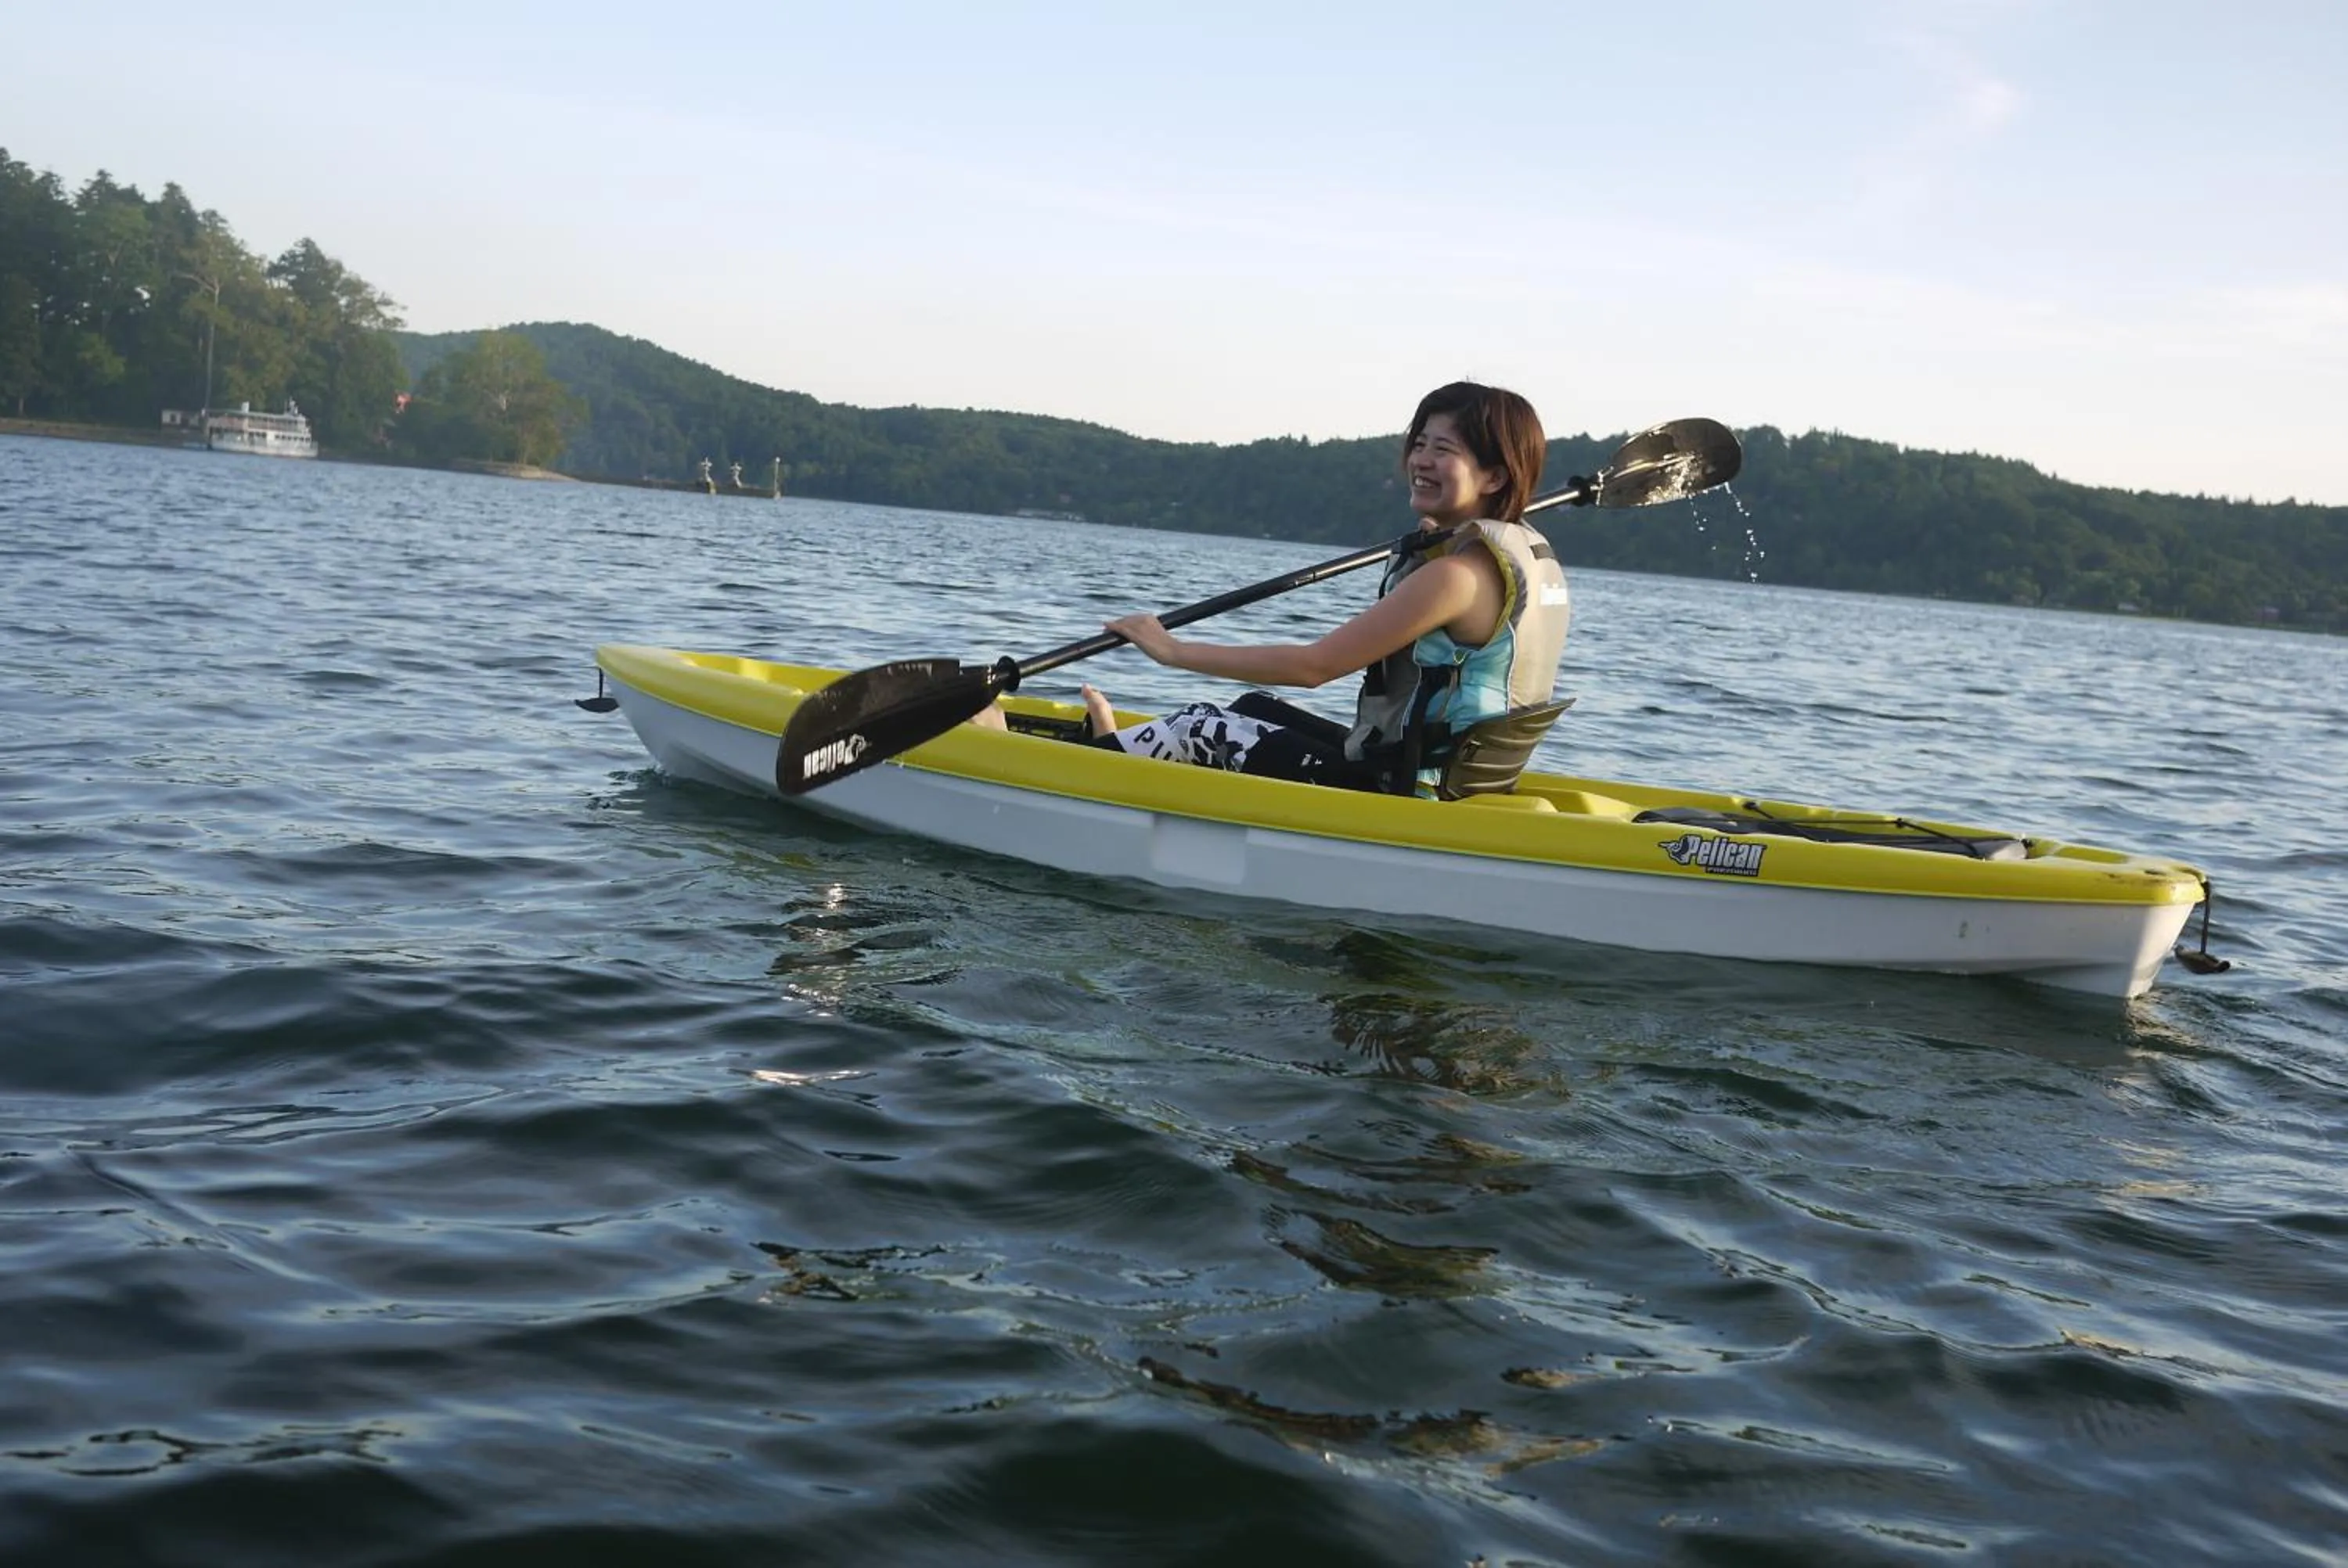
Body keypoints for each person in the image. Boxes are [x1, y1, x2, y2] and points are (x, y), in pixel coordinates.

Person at [1081, 381, 1571, 797]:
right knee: (1252, 709)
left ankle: (1096, 763)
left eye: (1444, 450)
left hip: (1406, 788)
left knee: (1198, 728)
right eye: (1419, 444)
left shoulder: (1454, 578)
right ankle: (1119, 753)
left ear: (1495, 476)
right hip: (1447, 775)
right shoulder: (1507, 557)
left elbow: (1315, 667)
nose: (1421, 460)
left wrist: (1173, 650)